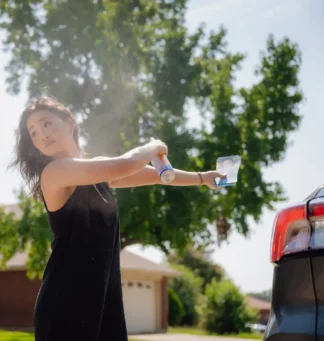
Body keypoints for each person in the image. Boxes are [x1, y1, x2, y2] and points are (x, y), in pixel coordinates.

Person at [14, 96, 223, 341]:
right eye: (34, 133)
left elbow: (156, 175)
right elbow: (127, 164)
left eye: (46, 124)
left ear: (70, 122)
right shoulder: (54, 173)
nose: (41, 135)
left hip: (104, 302)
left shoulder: (97, 170)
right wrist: (153, 147)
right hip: (65, 301)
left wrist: (203, 177)